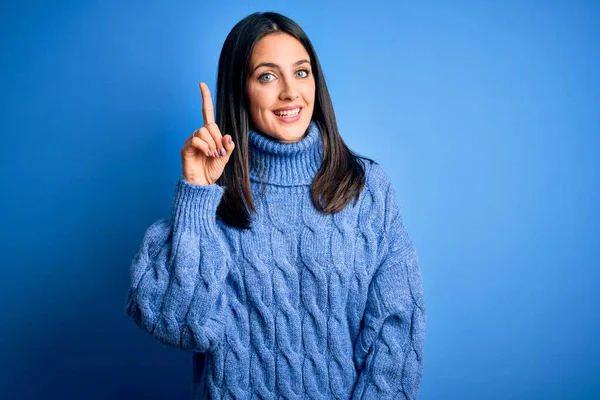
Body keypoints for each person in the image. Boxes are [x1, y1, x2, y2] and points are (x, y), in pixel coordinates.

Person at [125, 11, 426, 399]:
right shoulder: (212, 197)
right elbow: (178, 324)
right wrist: (198, 193)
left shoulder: (366, 188)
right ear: (240, 90)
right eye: (267, 76)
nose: (290, 92)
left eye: (301, 72)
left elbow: (396, 333)